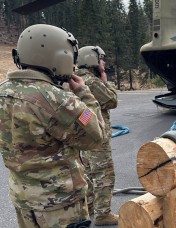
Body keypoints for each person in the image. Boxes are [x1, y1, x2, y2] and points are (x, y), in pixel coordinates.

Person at [0, 24, 106, 228]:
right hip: (59, 206)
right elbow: (96, 135)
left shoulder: (3, 91)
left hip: (23, 200)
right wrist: (84, 95)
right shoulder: (57, 99)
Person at [76, 46, 118, 225]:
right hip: (96, 134)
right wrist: (106, 81)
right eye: (101, 59)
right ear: (92, 60)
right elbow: (112, 100)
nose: (104, 62)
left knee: (88, 172)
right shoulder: (91, 82)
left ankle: (91, 206)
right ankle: (103, 214)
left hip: (83, 136)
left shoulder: (76, 78)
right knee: (104, 173)